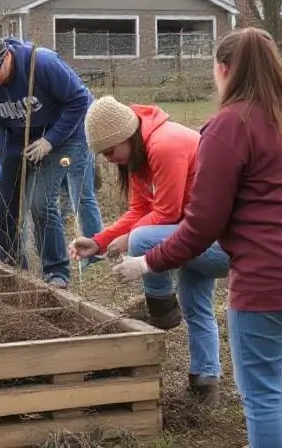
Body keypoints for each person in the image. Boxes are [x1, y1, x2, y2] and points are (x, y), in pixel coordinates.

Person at [107, 27, 282, 447]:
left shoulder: (229, 125)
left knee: (261, 393)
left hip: (269, 279)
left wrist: (146, 262)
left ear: (224, 70)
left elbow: (203, 225)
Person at [69, 95, 230, 404]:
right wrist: (100, 241)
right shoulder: (138, 157)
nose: (107, 158)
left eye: (110, 151)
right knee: (196, 304)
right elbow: (139, 209)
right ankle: (205, 380)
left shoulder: (164, 145)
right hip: (194, 236)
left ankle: (160, 308)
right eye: (102, 154)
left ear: (125, 137)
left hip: (221, 242)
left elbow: (166, 214)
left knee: (143, 238)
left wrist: (131, 240)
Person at [0, 32, 102, 288]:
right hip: (17, 140)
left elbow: (80, 100)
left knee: (40, 202)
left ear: (7, 56)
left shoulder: (42, 64)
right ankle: (13, 269)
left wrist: (51, 140)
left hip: (64, 136)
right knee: (4, 208)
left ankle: (56, 272)